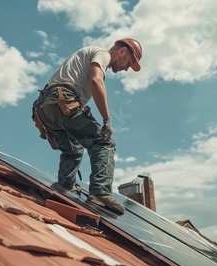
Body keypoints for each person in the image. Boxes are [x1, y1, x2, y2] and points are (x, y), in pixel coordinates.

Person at [32, 38, 142, 214]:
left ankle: (65, 189)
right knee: (103, 143)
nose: (126, 68)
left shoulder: (85, 57)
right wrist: (106, 119)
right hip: (63, 102)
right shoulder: (102, 54)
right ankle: (100, 192)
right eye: (128, 63)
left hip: (45, 109)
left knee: (73, 151)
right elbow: (96, 81)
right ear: (121, 52)